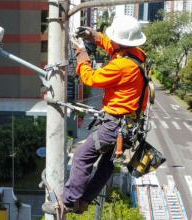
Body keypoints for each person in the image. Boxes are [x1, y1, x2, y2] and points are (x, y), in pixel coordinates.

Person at [42, 15, 149, 217]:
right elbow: (113, 46)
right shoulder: (137, 54)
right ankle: (83, 202)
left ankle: (68, 202)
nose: (113, 43)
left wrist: (82, 53)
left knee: (82, 158)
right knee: (106, 166)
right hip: (128, 127)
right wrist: (94, 36)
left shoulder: (122, 66)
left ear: (121, 41)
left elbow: (90, 78)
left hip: (114, 127)